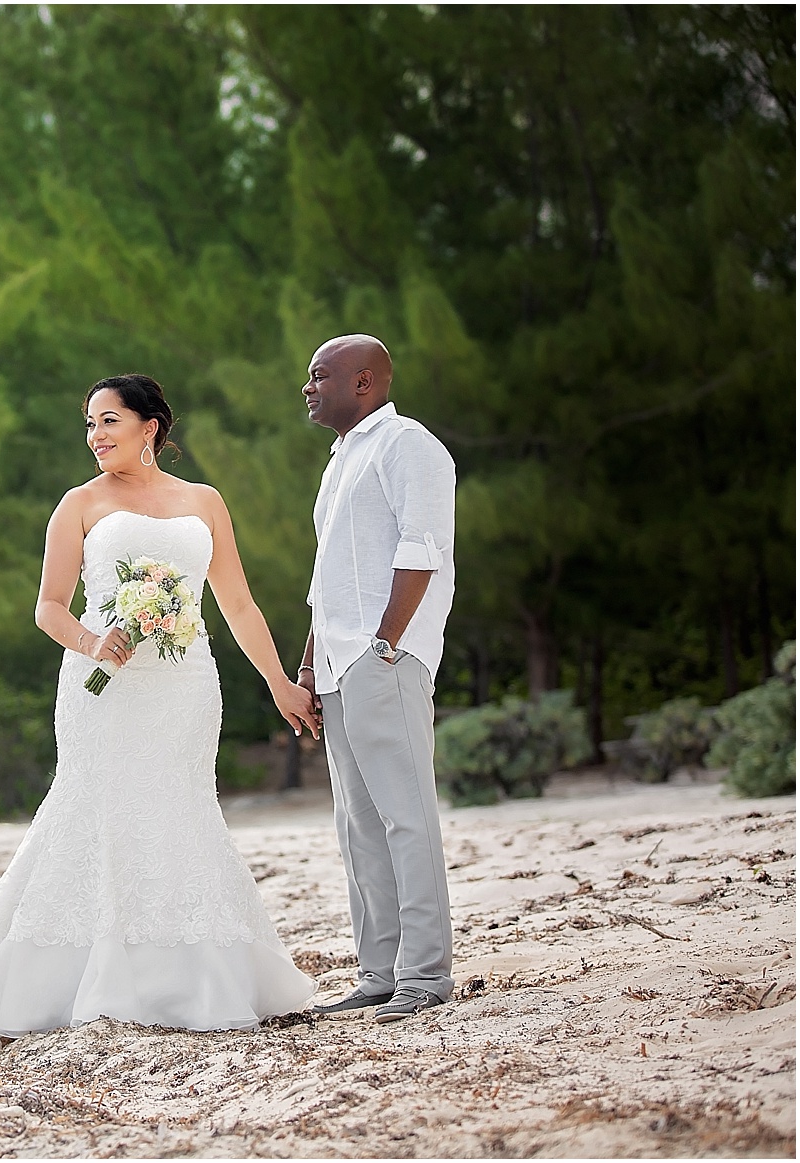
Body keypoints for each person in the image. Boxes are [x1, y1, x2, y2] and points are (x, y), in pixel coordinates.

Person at [0, 373, 319, 1059]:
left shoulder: (204, 502)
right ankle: (72, 978)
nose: (95, 436)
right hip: (104, 684)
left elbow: (238, 606)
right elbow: (48, 605)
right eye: (90, 424)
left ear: (150, 426)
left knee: (180, 807)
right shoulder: (80, 503)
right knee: (95, 809)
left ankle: (191, 980)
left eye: (109, 421)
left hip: (187, 683)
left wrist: (279, 680)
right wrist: (92, 641)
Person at [296, 335, 457, 1024]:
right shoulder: (339, 460)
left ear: (364, 381)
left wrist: (386, 642)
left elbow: (421, 549)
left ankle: (424, 974)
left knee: (404, 815)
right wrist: (308, 661)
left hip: (381, 658)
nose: (306, 386)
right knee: (358, 825)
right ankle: (379, 972)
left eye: (319, 375)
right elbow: (327, 576)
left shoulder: (407, 444)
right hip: (335, 662)